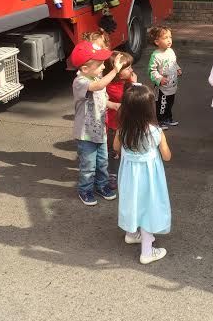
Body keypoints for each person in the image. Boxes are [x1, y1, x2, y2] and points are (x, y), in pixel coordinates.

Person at [114, 84, 172, 265]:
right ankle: (147, 252)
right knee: (148, 208)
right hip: (149, 177)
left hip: (129, 175)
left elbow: (116, 147)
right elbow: (167, 156)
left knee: (132, 202)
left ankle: (131, 233)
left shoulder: (122, 129)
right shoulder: (155, 131)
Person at [70, 40, 123, 206]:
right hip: (85, 134)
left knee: (103, 162)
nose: (102, 67)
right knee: (88, 165)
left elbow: (102, 99)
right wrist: (115, 70)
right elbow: (98, 86)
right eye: (99, 65)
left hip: (100, 130)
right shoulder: (81, 82)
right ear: (85, 69)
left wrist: (114, 105)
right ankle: (85, 189)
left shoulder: (96, 77)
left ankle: (102, 185)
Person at [103, 51, 137, 190]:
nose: (132, 70)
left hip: (127, 123)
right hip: (113, 124)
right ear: (116, 71)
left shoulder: (128, 81)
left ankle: (125, 172)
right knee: (114, 151)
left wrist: (133, 83)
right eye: (128, 68)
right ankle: (112, 174)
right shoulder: (109, 85)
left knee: (127, 149)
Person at [148, 26, 182, 130]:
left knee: (170, 103)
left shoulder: (171, 51)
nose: (169, 40)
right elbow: (151, 70)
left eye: (170, 37)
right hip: (162, 88)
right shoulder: (156, 55)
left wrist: (177, 68)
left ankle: (168, 118)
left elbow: (173, 63)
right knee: (161, 105)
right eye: (165, 38)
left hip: (172, 85)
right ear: (157, 42)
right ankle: (159, 121)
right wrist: (159, 79)